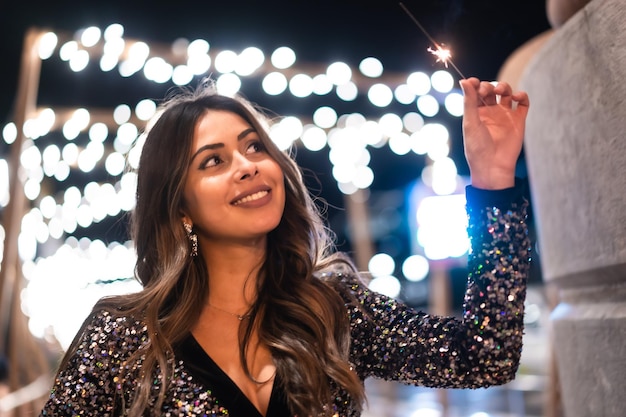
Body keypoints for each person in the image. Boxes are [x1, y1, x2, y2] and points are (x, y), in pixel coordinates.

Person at [39, 77, 531, 417]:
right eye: (213, 161)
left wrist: (491, 181)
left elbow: (484, 355)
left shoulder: (333, 308)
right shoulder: (125, 336)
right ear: (180, 207)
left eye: (255, 147)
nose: (248, 165)